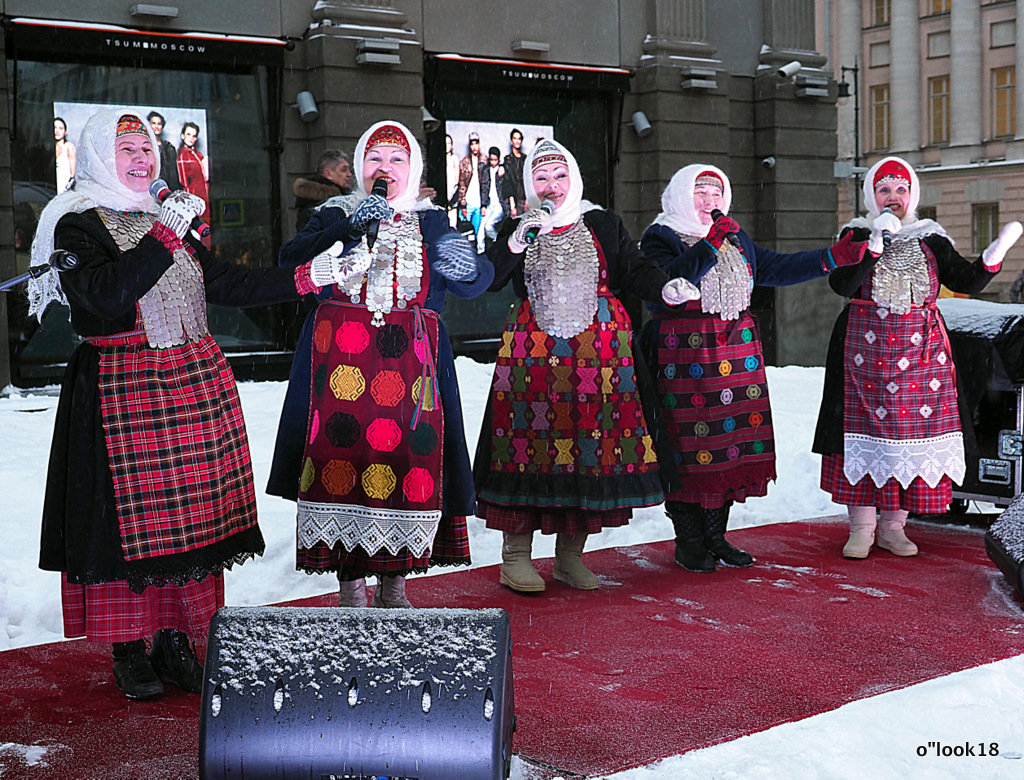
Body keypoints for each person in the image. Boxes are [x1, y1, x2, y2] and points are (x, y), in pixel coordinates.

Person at [29, 108, 326, 701]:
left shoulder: (165, 217)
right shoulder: (74, 224)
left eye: (147, 148)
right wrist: (162, 235)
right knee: (130, 527)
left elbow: (224, 281)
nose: (142, 158)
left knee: (188, 520)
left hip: (191, 383)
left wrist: (305, 277)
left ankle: (174, 638)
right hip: (122, 389)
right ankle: (129, 647)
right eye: (127, 148)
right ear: (95, 156)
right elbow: (103, 299)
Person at [267, 120, 494, 608]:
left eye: (396, 160)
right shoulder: (333, 213)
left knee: (407, 459)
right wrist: (349, 225)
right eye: (374, 159)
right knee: (344, 461)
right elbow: (290, 259)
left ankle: (396, 585)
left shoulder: (432, 221)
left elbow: (473, 280)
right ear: (357, 168)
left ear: (413, 169)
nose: (384, 169)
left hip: (411, 361)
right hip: (340, 357)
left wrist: (466, 260)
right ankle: (351, 585)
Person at [473, 138, 692, 594]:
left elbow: (634, 268)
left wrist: (665, 286)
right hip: (533, 355)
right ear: (529, 185)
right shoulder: (517, 226)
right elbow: (489, 280)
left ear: (573, 178)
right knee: (527, 447)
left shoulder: (601, 223)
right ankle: (515, 556)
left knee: (592, 449)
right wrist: (514, 242)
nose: (551, 186)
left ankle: (570, 556)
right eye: (541, 178)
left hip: (600, 355)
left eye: (558, 176)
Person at [639, 164, 870, 573]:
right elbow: (666, 286)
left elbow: (774, 268)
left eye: (716, 196)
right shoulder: (660, 237)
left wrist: (832, 258)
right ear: (680, 196)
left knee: (730, 445)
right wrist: (709, 246)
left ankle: (715, 535)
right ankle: (689, 539)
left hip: (735, 352)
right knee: (688, 448)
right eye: (701, 195)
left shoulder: (735, 237)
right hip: (684, 355)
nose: (710, 204)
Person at [812, 156, 1019, 559]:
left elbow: (966, 281)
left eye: (901, 190)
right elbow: (841, 283)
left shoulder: (932, 238)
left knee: (908, 440)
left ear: (913, 196)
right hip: (862, 353)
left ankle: (893, 527)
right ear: (872, 196)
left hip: (920, 353)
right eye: (884, 190)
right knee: (862, 440)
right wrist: (872, 246)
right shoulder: (855, 234)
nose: (893, 197)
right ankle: (862, 528)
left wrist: (993, 257)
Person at [293, 148, 353, 232]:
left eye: (348, 170)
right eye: (343, 170)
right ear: (328, 173)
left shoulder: (344, 198)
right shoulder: (316, 206)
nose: (349, 174)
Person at [176, 121, 210, 223]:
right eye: (188, 134)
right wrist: (190, 206)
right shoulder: (182, 156)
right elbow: (184, 184)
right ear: (183, 136)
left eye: (194, 136)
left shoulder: (198, 154)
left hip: (205, 197)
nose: (191, 138)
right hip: (195, 200)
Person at [457, 131, 487, 245]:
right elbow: (462, 184)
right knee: (464, 235)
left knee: (477, 235)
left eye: (476, 143)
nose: (475, 147)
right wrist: (463, 204)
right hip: (468, 203)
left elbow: (486, 184)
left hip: (478, 204)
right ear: (470, 146)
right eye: (472, 144)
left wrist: (484, 204)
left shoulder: (484, 159)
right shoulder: (464, 162)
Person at [146, 111, 180, 191]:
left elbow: (173, 173)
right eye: (154, 123)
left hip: (165, 187)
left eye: (159, 123)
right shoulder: (144, 145)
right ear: (149, 125)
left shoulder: (168, 147)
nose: (156, 126)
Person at [480, 145, 505, 251]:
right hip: (489, 204)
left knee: (488, 226)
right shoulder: (486, 171)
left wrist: (503, 168)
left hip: (500, 204)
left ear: (499, 159)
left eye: (495, 160)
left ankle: (498, 243)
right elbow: (484, 189)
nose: (493, 162)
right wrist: (484, 205)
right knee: (481, 232)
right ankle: (480, 253)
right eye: (491, 159)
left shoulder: (503, 170)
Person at [502, 128, 527, 218]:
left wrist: (528, 200)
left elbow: (528, 180)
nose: (517, 141)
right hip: (514, 200)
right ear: (511, 141)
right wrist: (512, 206)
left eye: (519, 138)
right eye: (515, 138)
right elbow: (507, 182)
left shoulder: (525, 158)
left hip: (525, 199)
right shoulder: (507, 160)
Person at [54, 117, 77, 193]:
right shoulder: (47, 148)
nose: (57, 131)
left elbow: (72, 175)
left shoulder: (68, 147)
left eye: (60, 128)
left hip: (64, 191)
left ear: (65, 131)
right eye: (55, 128)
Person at [444, 134, 460, 227]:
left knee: (452, 225)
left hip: (452, 198)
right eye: (445, 143)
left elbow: (456, 183)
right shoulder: (439, 160)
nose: (447, 146)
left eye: (449, 143)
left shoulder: (454, 159)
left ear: (452, 145)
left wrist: (452, 201)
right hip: (442, 199)